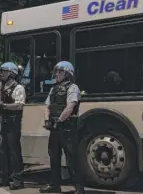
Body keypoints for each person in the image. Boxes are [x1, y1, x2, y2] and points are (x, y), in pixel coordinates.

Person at [39, 61, 84, 194]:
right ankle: (54, 185)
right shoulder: (53, 88)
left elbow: (70, 107)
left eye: (60, 72)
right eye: (56, 71)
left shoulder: (73, 87)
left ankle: (79, 187)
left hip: (67, 127)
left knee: (72, 158)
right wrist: (47, 120)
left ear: (68, 73)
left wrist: (59, 121)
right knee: (54, 156)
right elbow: (48, 106)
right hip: (55, 127)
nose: (57, 74)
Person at [0, 62, 26, 190]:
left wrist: (5, 106)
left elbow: (19, 105)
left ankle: (18, 179)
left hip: (13, 123)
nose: (1, 74)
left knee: (14, 151)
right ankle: (4, 177)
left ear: (12, 73)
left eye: (4, 71)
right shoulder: (0, 87)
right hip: (2, 122)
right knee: (2, 150)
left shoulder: (18, 88)